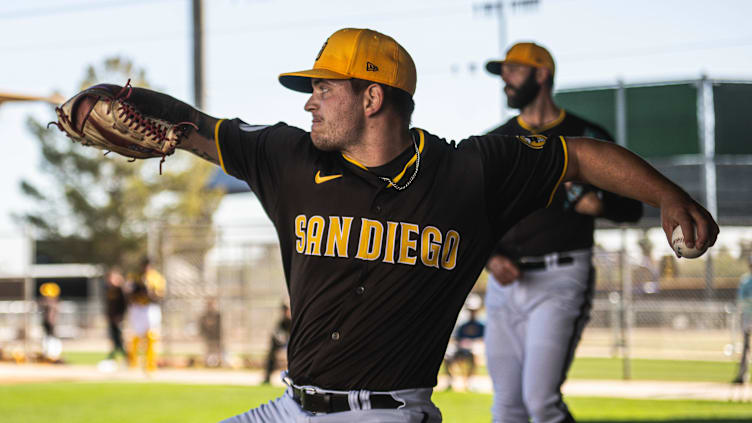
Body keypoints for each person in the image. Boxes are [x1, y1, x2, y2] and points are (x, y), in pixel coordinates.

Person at [70, 27, 717, 422]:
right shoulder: (289, 159)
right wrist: (112, 99)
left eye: (325, 87)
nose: (309, 101)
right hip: (294, 405)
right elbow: (191, 125)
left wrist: (669, 197)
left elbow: (580, 153)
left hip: (387, 414)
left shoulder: (466, 172)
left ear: (372, 97)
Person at [482, 42, 644, 423]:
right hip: (506, 283)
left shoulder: (586, 134)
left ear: (542, 75)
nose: (505, 79)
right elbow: (477, 215)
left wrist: (602, 205)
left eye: (514, 70)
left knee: (540, 402)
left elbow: (634, 207)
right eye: (503, 72)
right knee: (506, 406)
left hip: (561, 277)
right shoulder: (496, 141)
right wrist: (490, 257)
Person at [127, 257, 165, 372]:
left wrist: (149, 291)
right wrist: (137, 289)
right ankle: (132, 363)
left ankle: (150, 365)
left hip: (150, 308)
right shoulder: (134, 277)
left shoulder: (156, 277)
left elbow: (159, 296)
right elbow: (129, 293)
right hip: (137, 307)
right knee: (136, 335)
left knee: (152, 335)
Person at [443, 294, 484, 391]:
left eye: (473, 311)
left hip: (474, 349)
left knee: (475, 352)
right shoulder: (463, 325)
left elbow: (483, 339)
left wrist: (472, 342)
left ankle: (470, 382)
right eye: (470, 311)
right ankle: (450, 380)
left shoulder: (481, 325)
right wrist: (462, 343)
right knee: (447, 355)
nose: (472, 313)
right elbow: (456, 338)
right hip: (462, 348)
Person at [733, 255, 752, 384]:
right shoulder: (745, 280)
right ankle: (742, 374)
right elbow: (741, 299)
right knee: (745, 346)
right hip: (748, 316)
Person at [263, 303, 292, 384]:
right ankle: (267, 377)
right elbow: (277, 336)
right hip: (281, 343)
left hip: (290, 344)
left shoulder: (291, 321)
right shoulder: (282, 322)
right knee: (271, 356)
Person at [104, 267, 128, 360]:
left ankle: (125, 356)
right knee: (113, 336)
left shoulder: (120, 290)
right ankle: (113, 355)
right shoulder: (109, 289)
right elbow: (108, 304)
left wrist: (120, 316)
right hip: (111, 316)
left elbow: (124, 304)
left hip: (118, 317)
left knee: (119, 337)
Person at [38, 282, 62, 363]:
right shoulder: (49, 302)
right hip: (47, 322)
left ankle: (53, 354)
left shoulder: (53, 302)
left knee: (53, 338)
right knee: (47, 338)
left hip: (51, 323)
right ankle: (48, 354)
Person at [199, 298, 223, 367]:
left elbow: (220, 327)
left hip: (216, 337)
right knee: (207, 352)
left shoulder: (218, 315)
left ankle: (218, 364)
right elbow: (201, 327)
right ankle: (207, 364)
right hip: (208, 337)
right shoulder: (204, 316)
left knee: (217, 352)